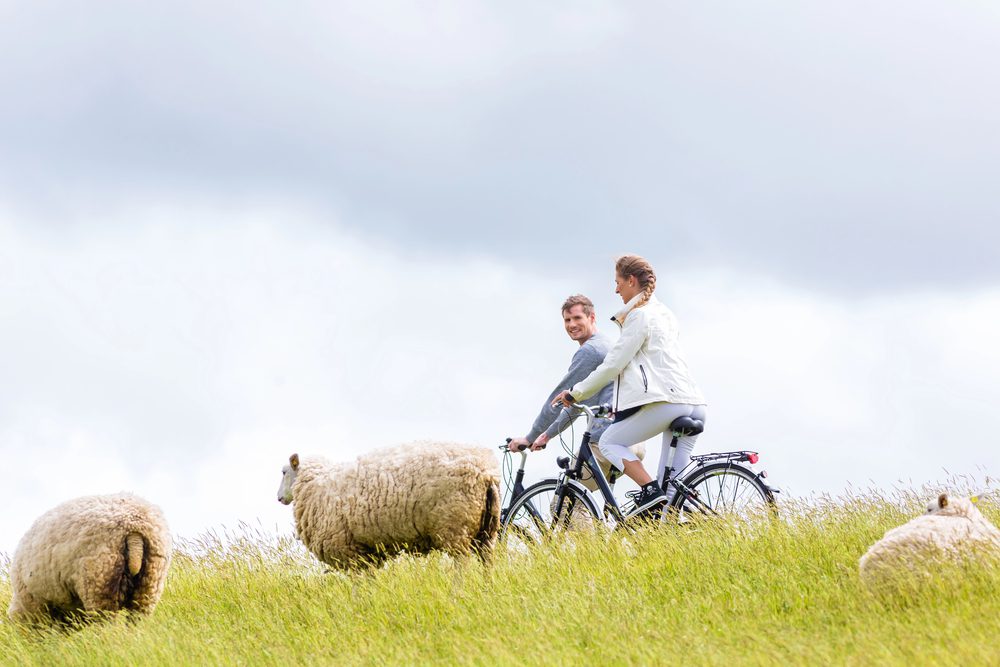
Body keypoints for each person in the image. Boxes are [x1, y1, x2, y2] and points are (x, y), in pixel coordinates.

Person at [554, 255, 706, 515]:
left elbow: (614, 365)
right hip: (695, 402)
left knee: (610, 442)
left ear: (631, 281)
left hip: (668, 403)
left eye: (618, 283)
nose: (616, 289)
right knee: (672, 490)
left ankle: (650, 492)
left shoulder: (639, 316)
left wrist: (576, 393)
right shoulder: (665, 313)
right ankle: (687, 525)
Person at [509, 295, 644, 492]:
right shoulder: (607, 344)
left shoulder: (590, 352)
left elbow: (556, 400)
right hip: (633, 440)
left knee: (566, 504)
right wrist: (547, 435)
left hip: (605, 442)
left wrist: (530, 437)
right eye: (567, 320)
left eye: (577, 318)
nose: (572, 324)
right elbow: (574, 403)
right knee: (592, 506)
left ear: (592, 317)